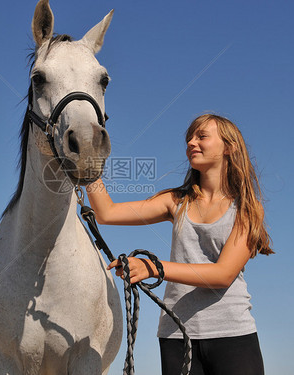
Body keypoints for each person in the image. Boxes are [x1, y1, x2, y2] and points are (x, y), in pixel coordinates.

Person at [86, 114, 274, 375]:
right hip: (177, 335)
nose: (191, 143)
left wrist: (154, 268)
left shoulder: (246, 208)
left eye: (202, 136)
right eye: (189, 138)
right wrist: (88, 165)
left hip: (232, 333)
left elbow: (223, 275)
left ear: (229, 147)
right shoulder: (176, 201)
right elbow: (106, 213)